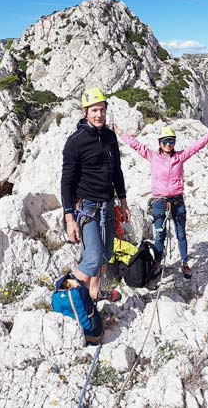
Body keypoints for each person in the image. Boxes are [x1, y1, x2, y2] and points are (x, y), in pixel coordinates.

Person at [114, 120, 208, 279]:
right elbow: (137, 146)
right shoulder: (153, 156)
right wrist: (120, 133)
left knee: (181, 234)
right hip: (159, 203)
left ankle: (184, 263)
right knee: (159, 236)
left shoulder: (179, 157)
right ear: (160, 143)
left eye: (171, 141)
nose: (168, 144)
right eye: (165, 141)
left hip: (177, 201)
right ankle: (156, 265)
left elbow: (196, 146)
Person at [61, 87, 131, 303]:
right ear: (85, 112)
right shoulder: (76, 141)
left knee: (105, 255)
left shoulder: (110, 137)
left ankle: (94, 293)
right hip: (87, 206)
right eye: (94, 110)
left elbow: (116, 171)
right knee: (92, 256)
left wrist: (123, 201)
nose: (98, 114)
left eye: (101, 109)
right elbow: (67, 182)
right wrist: (70, 219)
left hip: (108, 204)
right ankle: (65, 295)